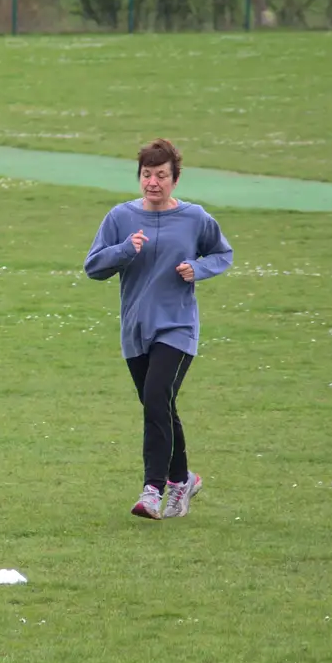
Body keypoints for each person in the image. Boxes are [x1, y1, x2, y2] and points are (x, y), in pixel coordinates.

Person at [84, 138, 233, 520]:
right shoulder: (120, 217)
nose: (153, 182)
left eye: (162, 175)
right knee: (159, 405)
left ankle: (153, 490)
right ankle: (183, 479)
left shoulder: (195, 218)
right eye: (147, 175)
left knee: (156, 400)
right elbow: (93, 267)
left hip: (178, 328)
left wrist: (197, 269)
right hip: (136, 331)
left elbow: (222, 253)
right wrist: (123, 251)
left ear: (175, 180)